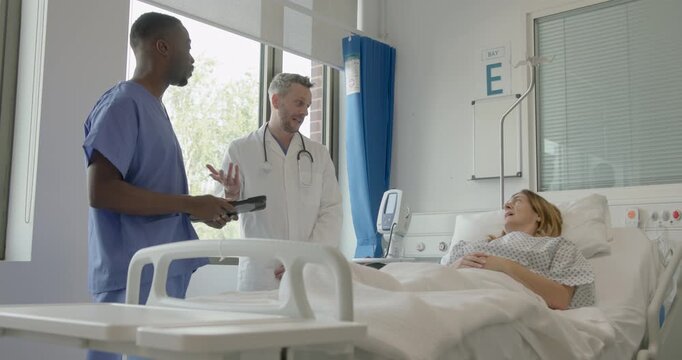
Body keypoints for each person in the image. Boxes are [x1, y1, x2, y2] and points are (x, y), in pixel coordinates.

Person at [83, 12, 236, 360]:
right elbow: (102, 191)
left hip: (160, 275)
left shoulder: (154, 110)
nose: (193, 57)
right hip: (132, 279)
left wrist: (200, 210)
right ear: (163, 46)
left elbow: (153, 199)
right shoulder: (123, 104)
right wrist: (188, 203)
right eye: (189, 47)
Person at [207, 73, 342, 291]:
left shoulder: (319, 154)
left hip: (307, 273)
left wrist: (303, 259)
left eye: (308, 106)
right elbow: (219, 213)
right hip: (260, 275)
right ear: (276, 101)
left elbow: (331, 211)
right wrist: (231, 196)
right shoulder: (241, 149)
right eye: (299, 103)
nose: (305, 112)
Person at [442, 190, 595, 310]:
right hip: (450, 293)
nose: (507, 205)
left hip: (494, 299)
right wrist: (455, 266)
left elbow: (561, 299)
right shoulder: (477, 244)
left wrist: (505, 266)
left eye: (517, 200)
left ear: (539, 214)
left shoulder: (557, 247)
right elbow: (436, 276)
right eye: (508, 203)